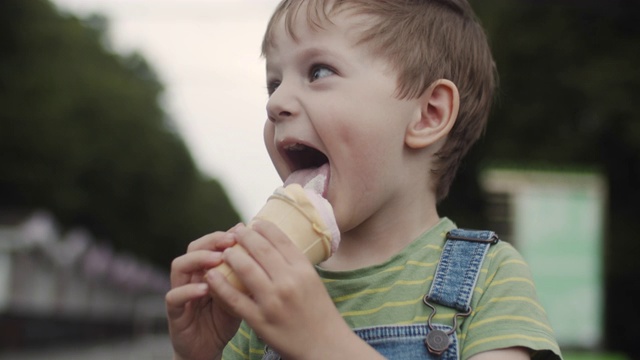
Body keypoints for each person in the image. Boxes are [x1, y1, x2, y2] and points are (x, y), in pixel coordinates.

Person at [165, 0, 563, 359]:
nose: (275, 103)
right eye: (274, 82)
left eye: (318, 71)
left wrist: (323, 344)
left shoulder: (489, 278)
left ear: (428, 114)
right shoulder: (262, 294)